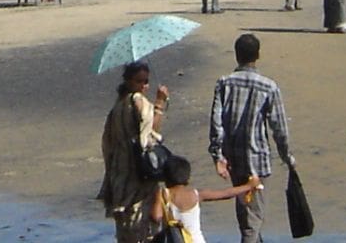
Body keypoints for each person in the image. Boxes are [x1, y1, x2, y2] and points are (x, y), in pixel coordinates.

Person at [208, 33, 294, 243]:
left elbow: (216, 122)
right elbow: (279, 129)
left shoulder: (224, 83)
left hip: (233, 159)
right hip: (257, 159)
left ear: (237, 55)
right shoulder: (268, 86)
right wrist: (287, 156)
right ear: (257, 55)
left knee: (247, 213)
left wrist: (218, 154)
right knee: (252, 220)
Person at [99, 60, 171, 242]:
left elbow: (108, 143)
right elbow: (148, 137)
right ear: (129, 81)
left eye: (146, 81)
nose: (145, 86)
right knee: (144, 232)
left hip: (119, 178)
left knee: (125, 233)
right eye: (140, 81)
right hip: (138, 180)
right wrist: (160, 105)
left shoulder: (117, 106)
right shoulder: (138, 102)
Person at [152, 155, 261, 243]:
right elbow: (226, 193)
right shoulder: (196, 194)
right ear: (187, 178)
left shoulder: (163, 194)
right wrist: (249, 186)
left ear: (165, 177)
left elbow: (156, 217)